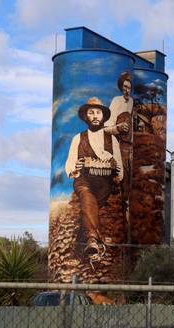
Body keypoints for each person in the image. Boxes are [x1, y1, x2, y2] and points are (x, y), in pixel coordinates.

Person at [65, 97, 123, 261]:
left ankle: (79, 246)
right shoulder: (78, 138)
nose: (95, 116)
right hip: (84, 180)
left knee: (89, 207)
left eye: (98, 112)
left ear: (103, 116)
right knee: (85, 195)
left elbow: (119, 167)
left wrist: (115, 170)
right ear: (85, 116)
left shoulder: (112, 140)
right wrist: (74, 169)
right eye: (91, 113)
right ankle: (93, 239)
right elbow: (70, 163)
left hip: (105, 183)